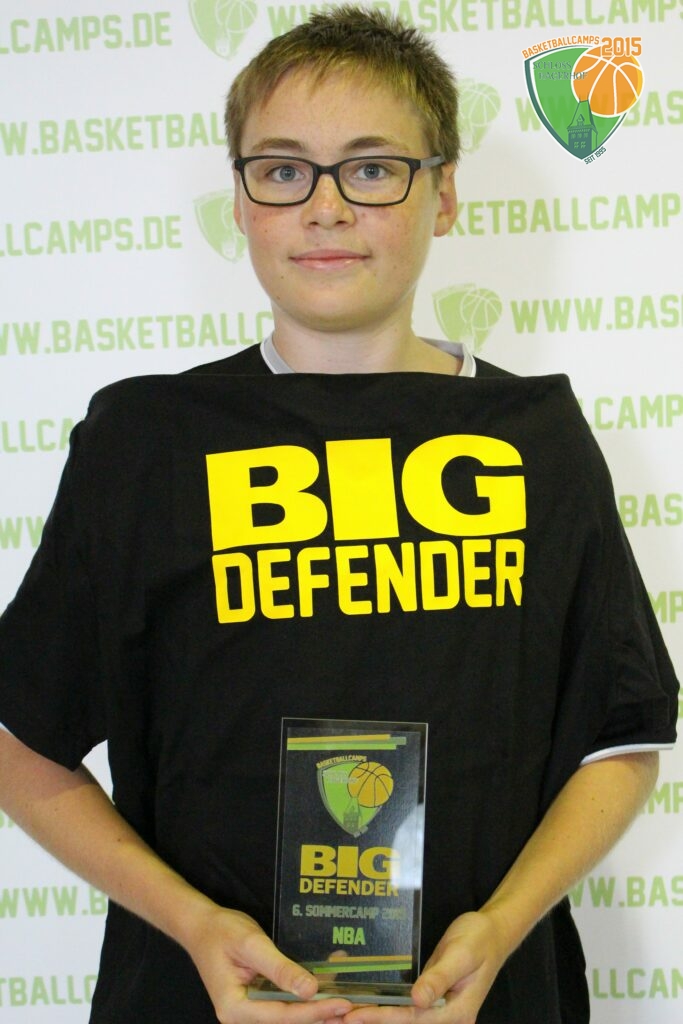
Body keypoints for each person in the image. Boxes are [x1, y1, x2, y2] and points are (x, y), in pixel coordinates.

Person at [0, 7, 678, 1024]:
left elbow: (618, 738)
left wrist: (501, 927)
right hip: (200, 1001)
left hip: (474, 1001)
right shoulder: (144, 438)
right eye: (283, 170)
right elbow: (22, 741)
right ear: (241, 200)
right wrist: (194, 926)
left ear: (443, 195)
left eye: (370, 169)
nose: (325, 208)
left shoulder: (534, 437)